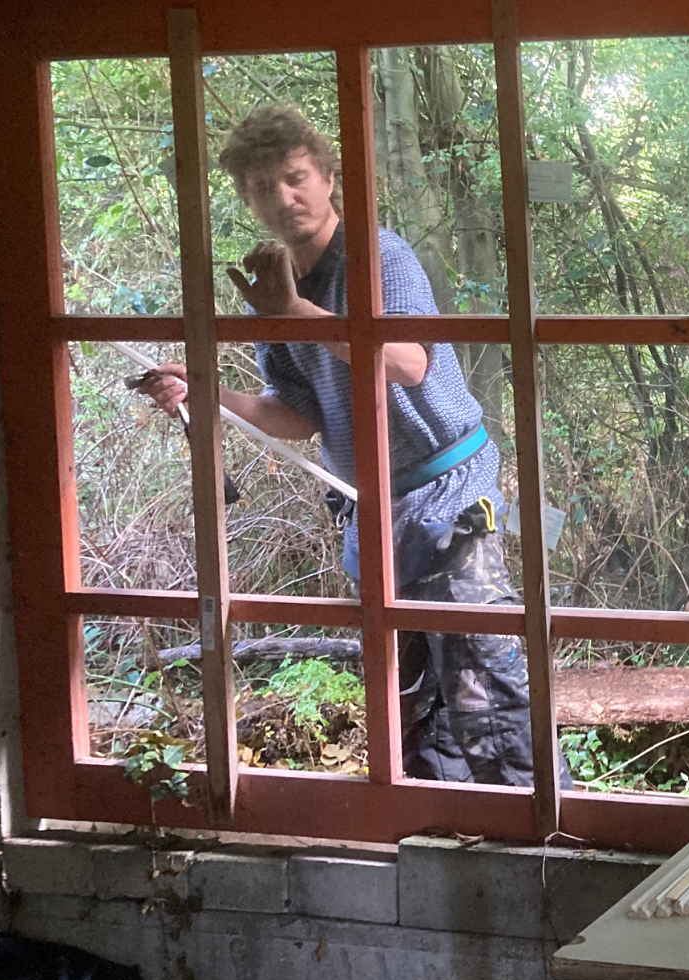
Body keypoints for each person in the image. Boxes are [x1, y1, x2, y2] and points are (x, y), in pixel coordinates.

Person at [141, 105, 570, 790]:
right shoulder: (274, 290)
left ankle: (547, 839)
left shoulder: (378, 255)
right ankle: (443, 834)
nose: (283, 198)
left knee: (485, 692)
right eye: (261, 187)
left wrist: (293, 311)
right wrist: (203, 391)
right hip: (371, 510)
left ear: (328, 177)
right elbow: (297, 414)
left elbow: (406, 361)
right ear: (245, 200)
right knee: (410, 706)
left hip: (447, 494)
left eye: (295, 177)